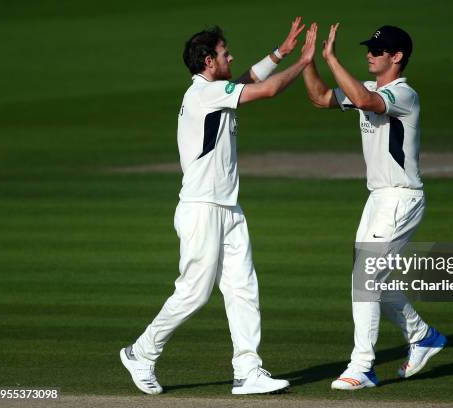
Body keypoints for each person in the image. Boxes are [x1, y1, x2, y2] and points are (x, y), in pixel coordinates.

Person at [120, 18, 317, 395]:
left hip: (228, 208)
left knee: (243, 289)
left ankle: (247, 371)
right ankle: (140, 352)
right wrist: (304, 61)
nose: (231, 57)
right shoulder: (201, 94)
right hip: (202, 208)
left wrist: (281, 52)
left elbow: (244, 80)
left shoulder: (216, 90)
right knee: (194, 293)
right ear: (209, 61)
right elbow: (269, 90)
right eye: (225, 53)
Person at [301, 23, 446, 390]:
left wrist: (331, 58)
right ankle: (422, 335)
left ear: (396, 58)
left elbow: (368, 103)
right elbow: (319, 98)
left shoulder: (404, 94)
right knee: (374, 278)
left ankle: (363, 366)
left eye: (377, 51)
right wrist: (307, 61)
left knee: (366, 278)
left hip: (401, 197)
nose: (369, 54)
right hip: (378, 198)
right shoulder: (365, 88)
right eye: (369, 49)